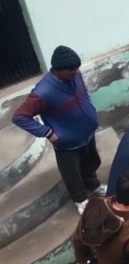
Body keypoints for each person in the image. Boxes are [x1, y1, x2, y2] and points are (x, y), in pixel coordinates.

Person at [13, 45, 104, 214]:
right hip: (67, 142)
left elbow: (84, 94)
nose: (76, 72)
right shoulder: (43, 92)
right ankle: (81, 200)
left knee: (91, 163)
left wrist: (90, 110)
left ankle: (93, 186)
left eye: (77, 68)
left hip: (87, 133)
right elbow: (20, 117)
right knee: (72, 174)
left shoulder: (76, 77)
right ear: (58, 70)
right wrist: (47, 133)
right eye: (72, 70)